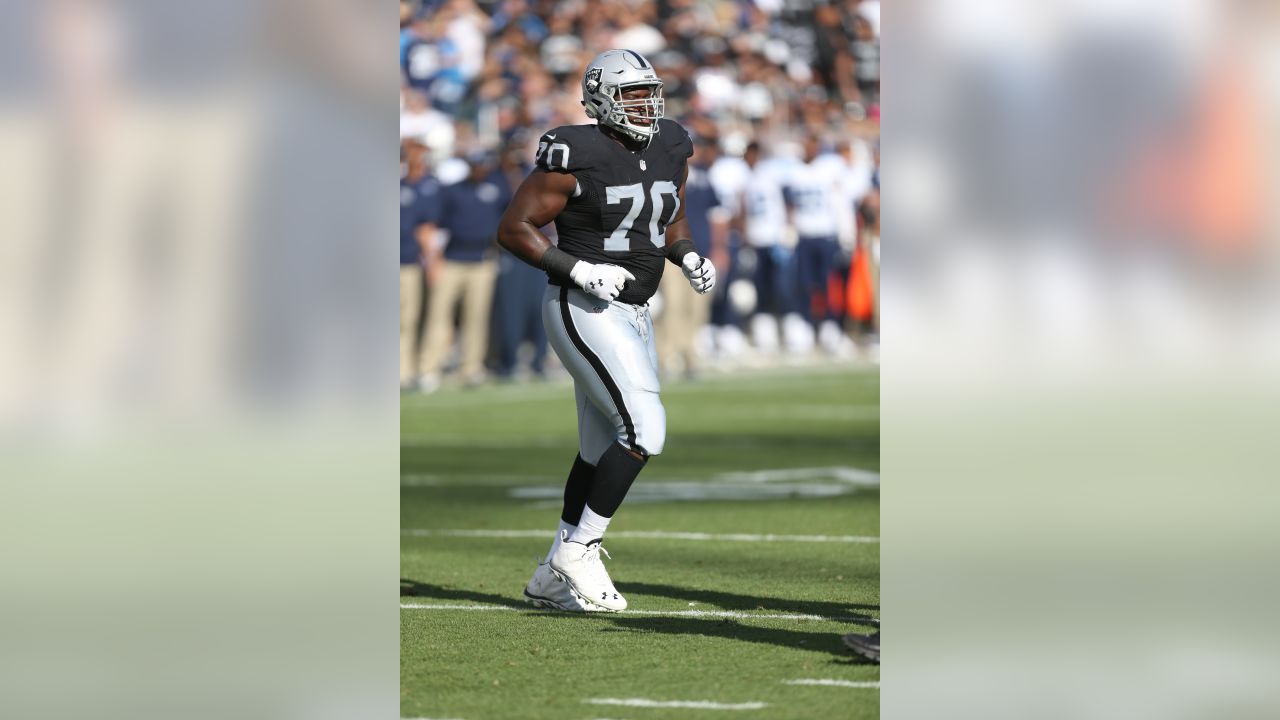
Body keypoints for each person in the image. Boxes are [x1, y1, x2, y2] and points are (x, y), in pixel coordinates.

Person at [497, 49, 715, 612]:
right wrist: (578, 267)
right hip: (582, 306)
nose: (644, 104)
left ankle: (550, 573)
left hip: (636, 309)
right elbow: (515, 227)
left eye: (649, 93)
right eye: (631, 94)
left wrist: (685, 253)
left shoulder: (670, 142)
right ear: (599, 100)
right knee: (644, 429)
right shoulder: (577, 152)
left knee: (599, 446)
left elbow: (669, 212)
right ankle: (580, 550)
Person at [418, 151, 510, 391]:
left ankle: (471, 368)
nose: (479, 169)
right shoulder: (452, 191)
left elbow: (506, 220)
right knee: (439, 315)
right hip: (452, 260)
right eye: (476, 165)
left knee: (476, 317)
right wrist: (433, 260)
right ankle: (429, 369)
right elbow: (434, 226)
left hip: (482, 261)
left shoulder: (496, 190)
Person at [400, 137, 440, 389]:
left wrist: (433, 261)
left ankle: (411, 371)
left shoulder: (422, 187)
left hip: (409, 263)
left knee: (410, 319)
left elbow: (425, 230)